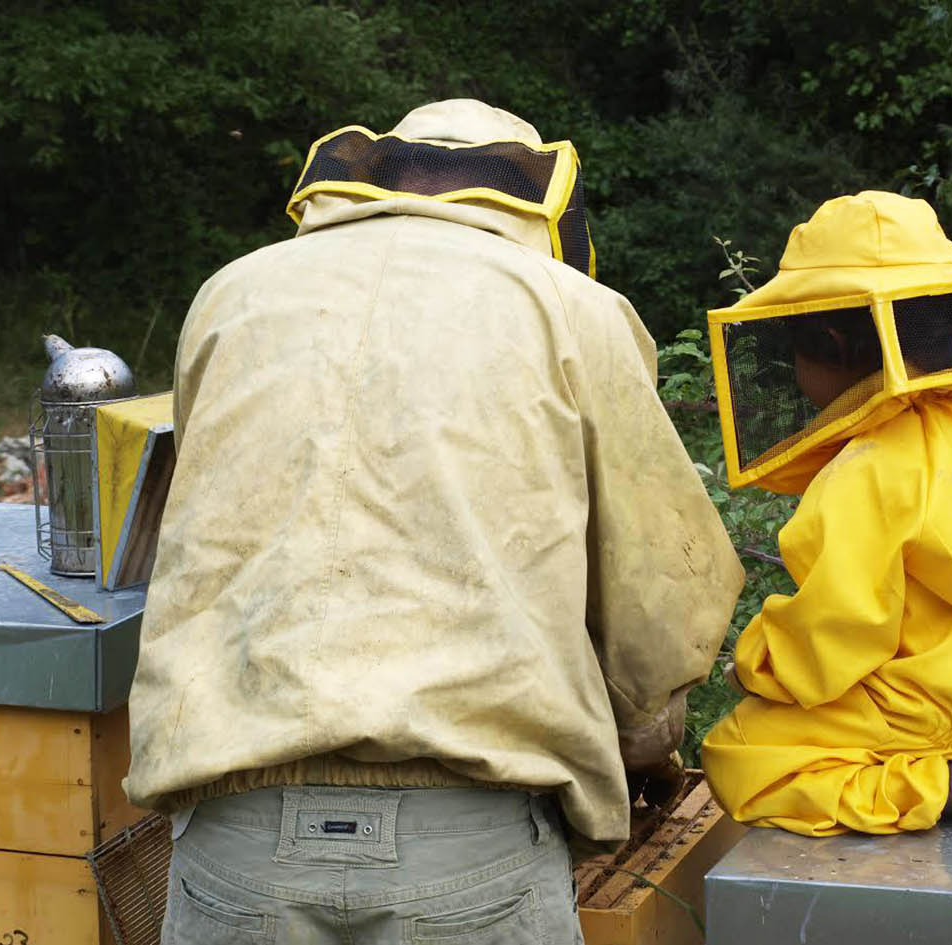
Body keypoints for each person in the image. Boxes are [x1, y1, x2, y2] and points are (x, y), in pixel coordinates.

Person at [124, 100, 745, 944]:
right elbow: (659, 594)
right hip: (468, 841)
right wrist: (642, 740)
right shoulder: (569, 306)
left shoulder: (232, 292)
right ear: (530, 197)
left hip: (236, 832)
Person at [700, 191, 952, 837]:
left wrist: (758, 663)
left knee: (743, 752)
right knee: (941, 703)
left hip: (927, 704)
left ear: (830, 339)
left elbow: (838, 629)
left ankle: (946, 780)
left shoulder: (865, 468)